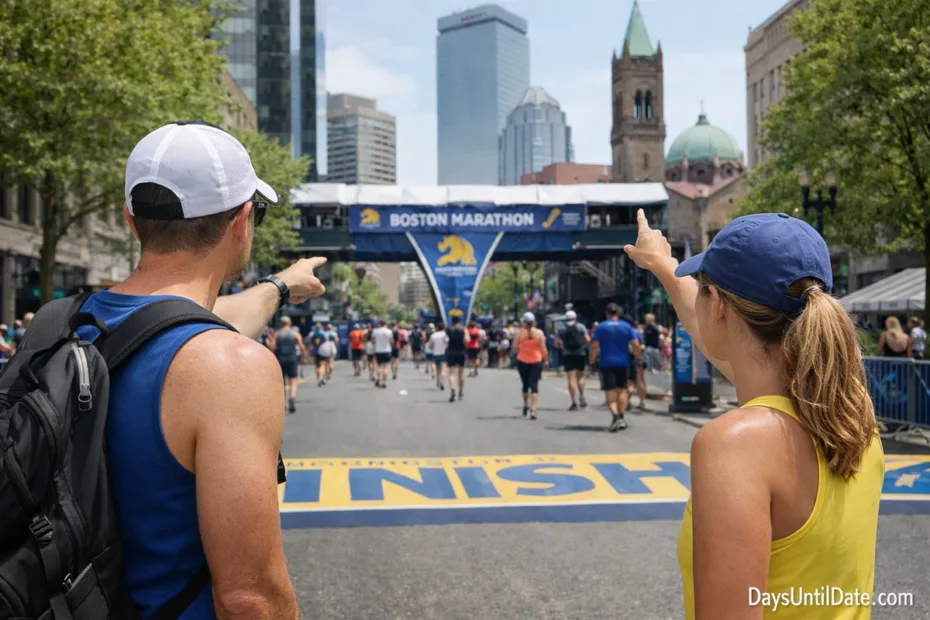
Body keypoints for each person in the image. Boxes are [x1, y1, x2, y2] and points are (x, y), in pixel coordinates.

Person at [72, 121, 328, 617]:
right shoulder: (230, 367)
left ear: (131, 219)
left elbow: (193, 317)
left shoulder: (60, 326)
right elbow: (248, 599)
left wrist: (281, 285)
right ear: (242, 222)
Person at [625, 209, 884, 620]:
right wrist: (664, 265)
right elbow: (735, 351)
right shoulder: (853, 413)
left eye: (705, 287)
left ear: (721, 307)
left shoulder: (736, 445)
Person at [589, 304, 638, 431]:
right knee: (621, 390)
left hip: (607, 363)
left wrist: (592, 361)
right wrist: (638, 357)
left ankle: (616, 418)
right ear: (618, 313)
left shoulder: (601, 327)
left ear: (606, 313)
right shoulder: (626, 326)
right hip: (623, 363)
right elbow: (635, 343)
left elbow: (594, 345)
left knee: (610, 393)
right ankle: (621, 417)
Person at [267, 315, 307, 409]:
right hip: (292, 358)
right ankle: (292, 398)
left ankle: (283, 402)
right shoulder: (295, 333)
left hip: (280, 359)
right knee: (293, 380)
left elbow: (272, 347)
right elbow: (301, 346)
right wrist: (304, 357)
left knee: (282, 382)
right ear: (289, 323)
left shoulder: (277, 334)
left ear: (281, 323)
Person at [514, 312, 547, 419]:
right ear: (534, 322)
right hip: (536, 361)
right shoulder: (539, 334)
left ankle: (525, 405)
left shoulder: (520, 333)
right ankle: (533, 409)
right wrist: (545, 359)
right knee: (534, 384)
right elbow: (543, 349)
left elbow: (514, 346)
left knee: (525, 384)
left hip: (522, 360)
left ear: (524, 323)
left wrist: (523, 348)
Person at [555, 310, 590, 410]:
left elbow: (556, 343)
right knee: (580, 377)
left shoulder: (562, 329)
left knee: (571, 378)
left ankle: (574, 402)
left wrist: (563, 346)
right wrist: (583, 346)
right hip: (580, 354)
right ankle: (582, 394)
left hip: (567, 355)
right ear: (575, 318)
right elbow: (588, 339)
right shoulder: (581, 327)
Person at [446, 315, 470, 402]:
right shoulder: (463, 329)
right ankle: (460, 391)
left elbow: (445, 341)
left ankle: (452, 390)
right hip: (461, 352)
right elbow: (467, 340)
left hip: (451, 352)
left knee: (451, 373)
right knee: (461, 374)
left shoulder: (448, 329)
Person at [370, 319, 394, 389]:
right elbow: (391, 341)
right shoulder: (389, 331)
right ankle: (384, 382)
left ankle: (378, 379)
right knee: (386, 366)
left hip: (378, 350)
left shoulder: (375, 331)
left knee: (378, 366)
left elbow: (373, 341)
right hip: (387, 350)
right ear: (385, 324)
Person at [307, 322, 328, 386]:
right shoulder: (324, 333)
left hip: (315, 351)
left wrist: (309, 352)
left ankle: (318, 378)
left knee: (316, 366)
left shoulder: (312, 333)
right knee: (323, 365)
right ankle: (320, 378)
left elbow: (310, 343)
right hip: (322, 351)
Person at [429, 322, 449, 390]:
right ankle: (442, 381)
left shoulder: (434, 335)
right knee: (443, 368)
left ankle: (438, 380)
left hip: (436, 353)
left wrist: (433, 347)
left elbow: (430, 346)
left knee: (438, 368)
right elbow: (447, 344)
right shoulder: (445, 335)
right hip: (444, 353)